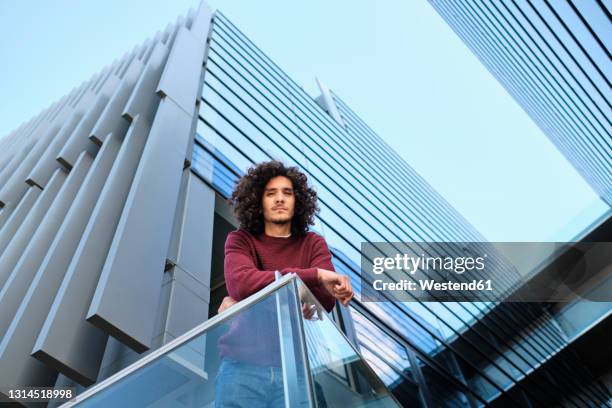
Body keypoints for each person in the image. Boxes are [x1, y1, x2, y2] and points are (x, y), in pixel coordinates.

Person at [214, 160, 353, 408]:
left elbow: (326, 299)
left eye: (287, 193)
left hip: (296, 369)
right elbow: (241, 284)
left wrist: (282, 292)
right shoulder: (240, 240)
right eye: (271, 193)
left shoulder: (313, 242)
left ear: (297, 201)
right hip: (241, 368)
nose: (280, 199)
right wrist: (312, 278)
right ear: (258, 200)